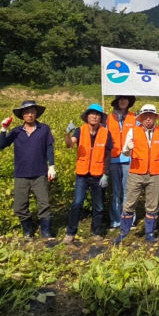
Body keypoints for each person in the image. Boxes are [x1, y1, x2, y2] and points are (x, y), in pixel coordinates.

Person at [114, 104, 159, 244]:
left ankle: (150, 233)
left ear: (155, 118)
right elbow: (125, 152)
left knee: (152, 205)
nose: (148, 119)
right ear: (141, 118)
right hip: (136, 173)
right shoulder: (133, 131)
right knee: (129, 204)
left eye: (151, 116)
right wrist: (128, 148)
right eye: (145, 116)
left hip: (155, 173)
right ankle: (123, 233)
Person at [0, 100, 56, 238]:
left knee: (44, 204)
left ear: (36, 114)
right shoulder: (16, 131)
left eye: (32, 112)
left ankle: (46, 232)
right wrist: (3, 129)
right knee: (19, 206)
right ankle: (28, 230)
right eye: (27, 112)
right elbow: (1, 145)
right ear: (22, 115)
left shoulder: (44, 129)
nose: (30, 115)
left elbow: (49, 148)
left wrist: (51, 166)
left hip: (39, 173)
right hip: (21, 174)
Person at [63, 103, 112, 244]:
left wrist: (106, 174)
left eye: (97, 114)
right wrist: (68, 134)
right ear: (87, 116)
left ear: (101, 118)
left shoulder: (105, 133)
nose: (94, 116)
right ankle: (70, 233)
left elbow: (108, 155)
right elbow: (69, 144)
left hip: (98, 174)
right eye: (92, 114)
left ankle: (96, 232)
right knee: (77, 203)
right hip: (82, 174)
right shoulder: (80, 130)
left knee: (99, 205)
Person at [106, 95, 136, 228]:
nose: (123, 101)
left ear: (129, 102)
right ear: (116, 102)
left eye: (126, 99)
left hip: (129, 158)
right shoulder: (108, 118)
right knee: (116, 192)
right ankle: (116, 220)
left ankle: (129, 219)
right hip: (112, 159)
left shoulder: (134, 117)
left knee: (128, 190)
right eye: (121, 99)